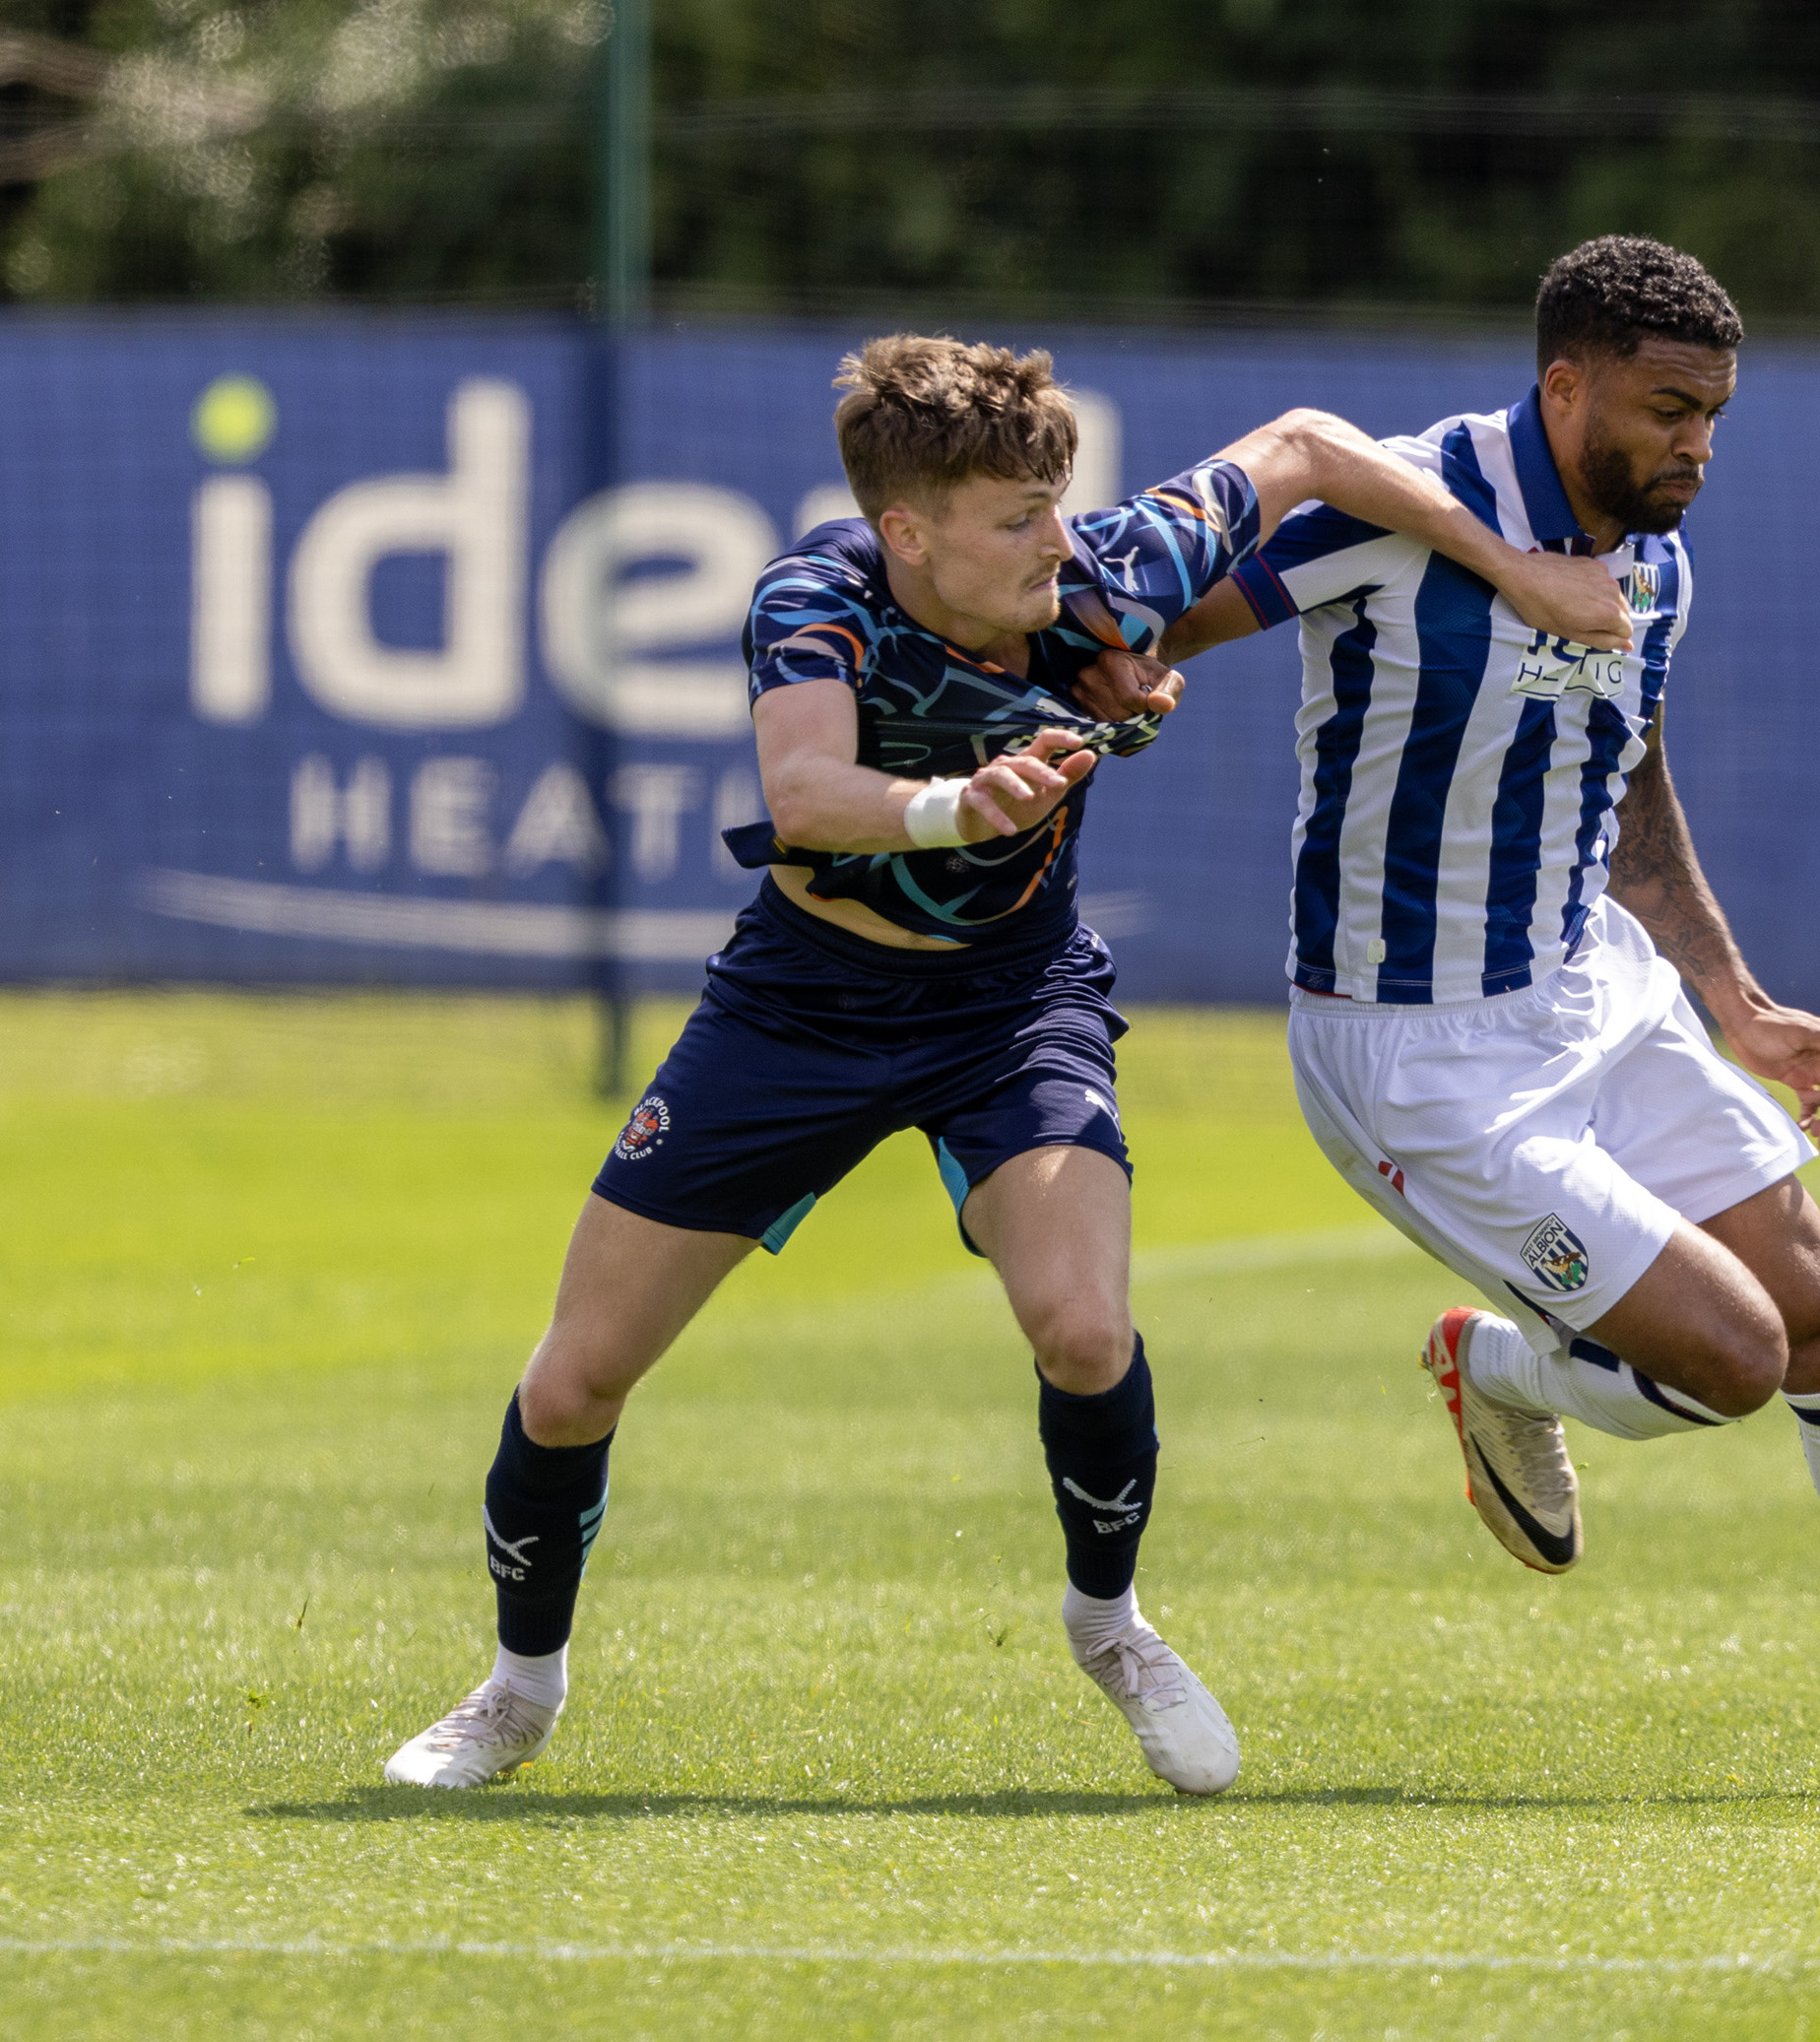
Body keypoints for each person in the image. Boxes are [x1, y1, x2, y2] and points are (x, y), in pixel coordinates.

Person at [383, 332, 1627, 1795]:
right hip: (798, 1007)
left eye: (1057, 503)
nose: (1058, 540)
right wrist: (956, 806)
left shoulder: (1100, 568)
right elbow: (802, 789)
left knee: (1085, 1330)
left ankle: (1110, 1623)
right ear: (906, 531)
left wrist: (1516, 565)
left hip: (1013, 1006)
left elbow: (1300, 443)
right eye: (1014, 518)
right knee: (575, 1380)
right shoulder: (817, 594)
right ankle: (519, 1688)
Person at [1160, 238, 1820, 1799]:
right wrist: (1095, 678)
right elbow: (1156, 635)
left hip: (1593, 991)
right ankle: (1501, 1368)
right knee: (1735, 1358)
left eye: (1714, 412)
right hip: (1415, 1058)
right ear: (1567, 385)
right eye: (1667, 408)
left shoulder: (1654, 552)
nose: (1697, 444)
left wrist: (1734, 995)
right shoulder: (1392, 506)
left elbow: (1625, 774)